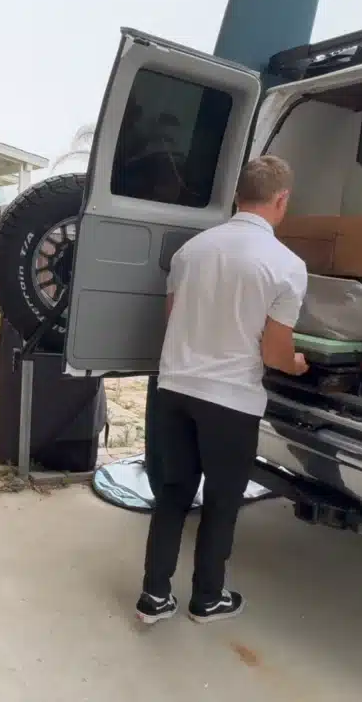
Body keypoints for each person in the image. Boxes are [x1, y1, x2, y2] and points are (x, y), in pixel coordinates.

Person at [136, 155, 309, 625]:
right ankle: (207, 599)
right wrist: (295, 363)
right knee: (221, 500)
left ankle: (154, 597)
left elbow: (174, 319)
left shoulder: (191, 251)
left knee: (172, 493)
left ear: (237, 196)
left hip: (174, 388)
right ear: (281, 199)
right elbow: (275, 355)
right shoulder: (287, 266)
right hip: (230, 400)